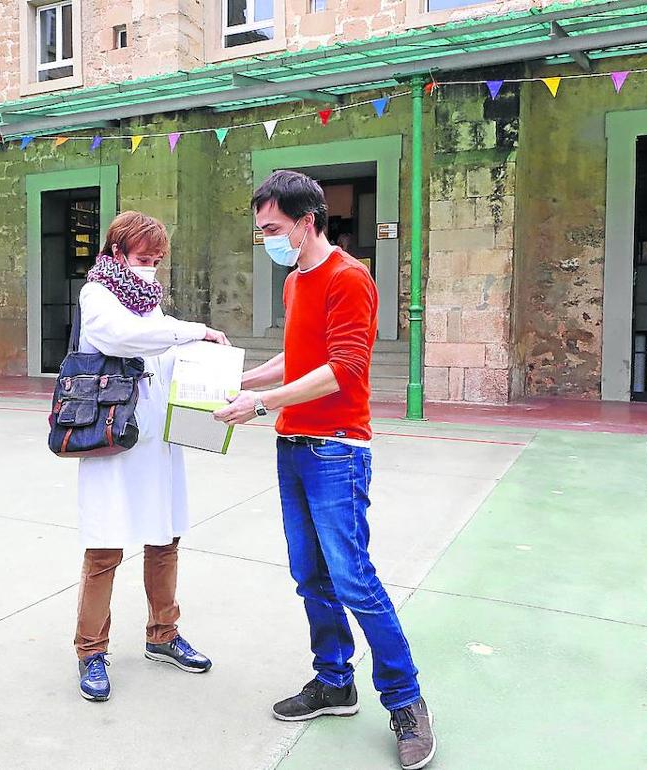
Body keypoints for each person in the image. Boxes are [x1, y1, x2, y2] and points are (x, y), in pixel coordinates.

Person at [214, 171, 436, 770]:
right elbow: (299, 355)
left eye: (274, 229)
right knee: (309, 575)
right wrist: (242, 378)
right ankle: (334, 682)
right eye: (261, 232)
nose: (267, 241)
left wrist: (260, 403)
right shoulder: (295, 283)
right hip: (293, 446)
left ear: (307, 221)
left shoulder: (349, 278)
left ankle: (407, 700)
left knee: (353, 578)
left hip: (336, 448)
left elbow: (342, 369)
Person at [71, 211, 230, 702]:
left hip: (157, 439)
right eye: (143, 259)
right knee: (105, 547)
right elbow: (125, 338)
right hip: (113, 439)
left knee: (165, 537)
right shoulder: (96, 294)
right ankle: (91, 651)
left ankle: (163, 634)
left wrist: (211, 370)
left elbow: (163, 351)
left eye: (157, 261)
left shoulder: (152, 303)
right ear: (116, 253)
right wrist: (193, 331)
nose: (151, 270)